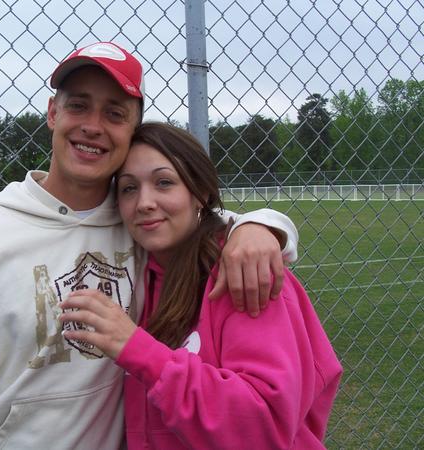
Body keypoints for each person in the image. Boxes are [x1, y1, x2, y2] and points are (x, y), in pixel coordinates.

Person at [0, 42, 300, 449]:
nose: (93, 126)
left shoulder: (138, 227)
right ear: (53, 113)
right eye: (78, 105)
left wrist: (261, 226)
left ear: (131, 130)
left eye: (114, 113)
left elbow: (206, 224)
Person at [60, 122, 342, 449]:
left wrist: (137, 348)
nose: (144, 203)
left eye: (164, 183)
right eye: (128, 188)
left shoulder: (243, 274)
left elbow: (262, 428)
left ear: (200, 193)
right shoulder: (132, 273)